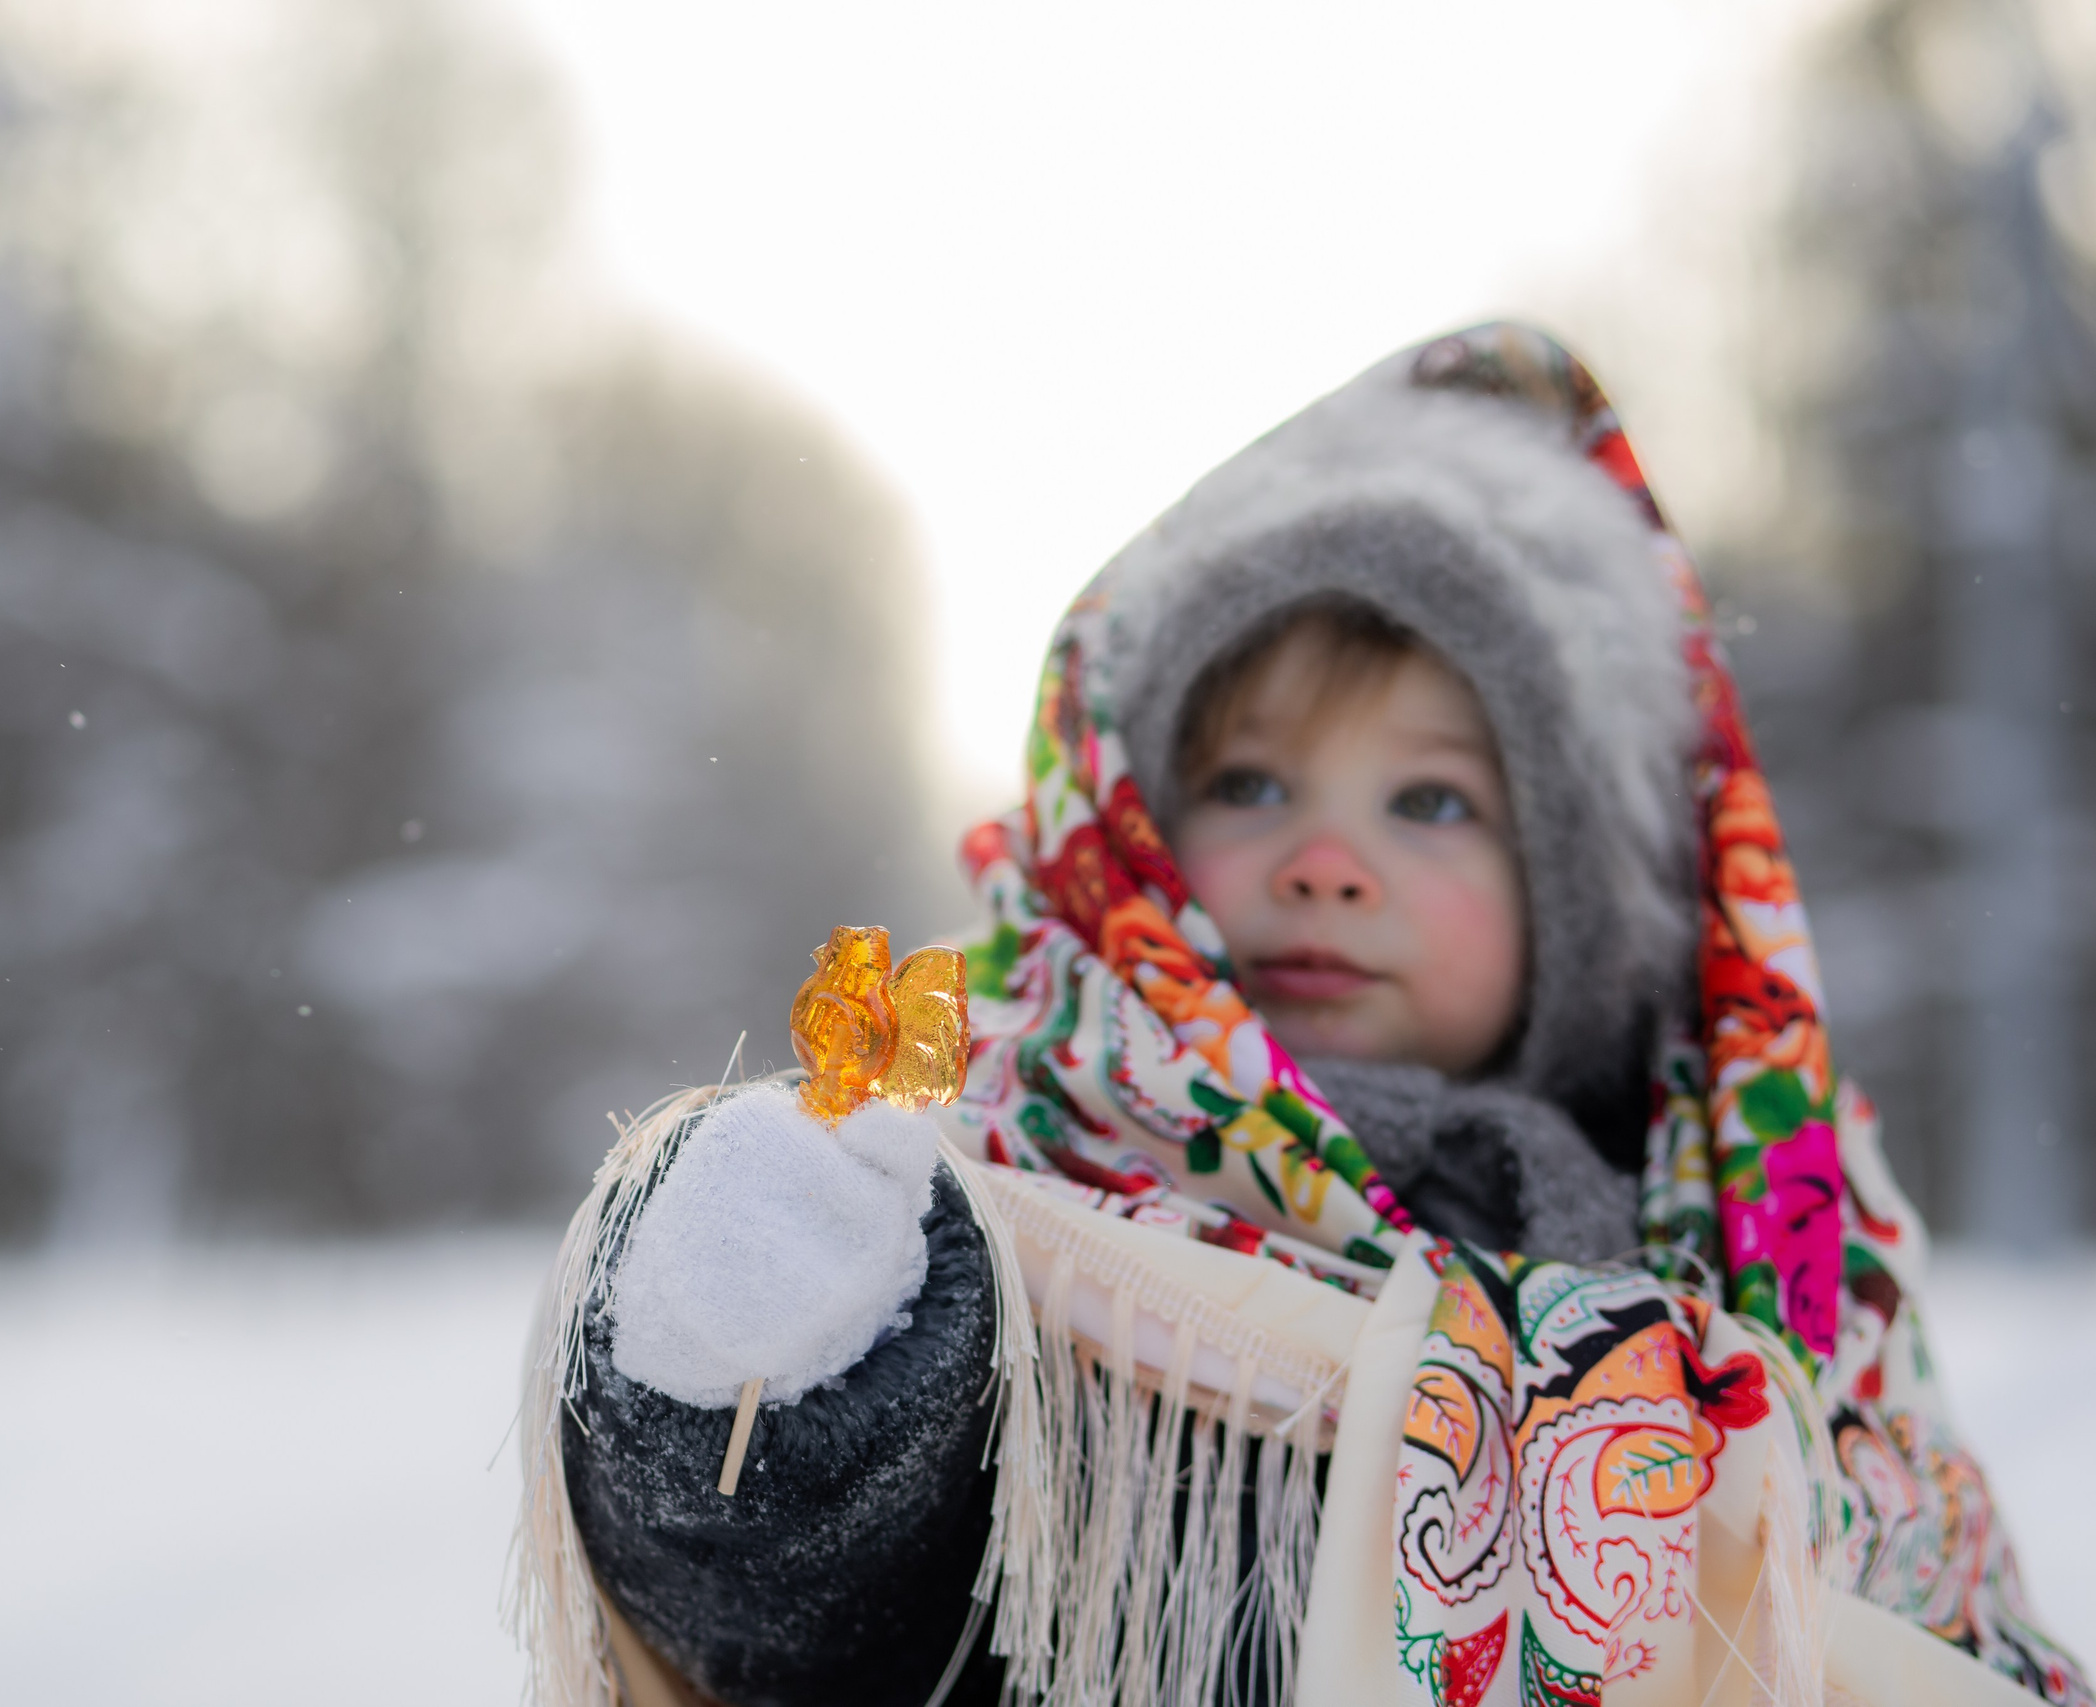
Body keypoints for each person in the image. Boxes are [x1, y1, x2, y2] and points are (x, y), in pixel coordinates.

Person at [515, 325, 2088, 1707]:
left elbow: (1928, 1642)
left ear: (1582, 902)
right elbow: (804, 1633)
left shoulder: (1773, 1262)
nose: (1327, 864)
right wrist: (776, 1385)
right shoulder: (1003, 1198)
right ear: (1128, 834)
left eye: (1432, 801)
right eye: (1252, 783)